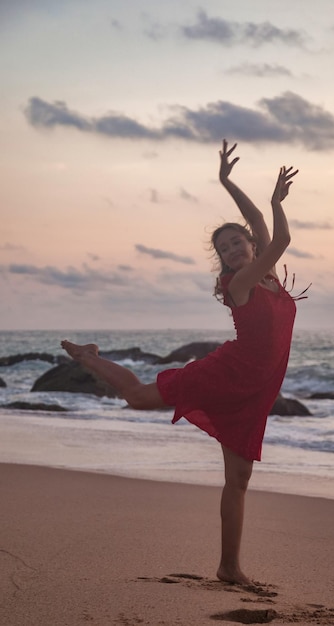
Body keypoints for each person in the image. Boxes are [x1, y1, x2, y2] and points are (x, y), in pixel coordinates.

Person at [61, 139, 300, 587]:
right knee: (137, 398)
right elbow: (280, 235)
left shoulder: (266, 275)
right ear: (224, 260)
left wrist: (227, 182)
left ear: (249, 243)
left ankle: (230, 567)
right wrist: (274, 201)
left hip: (254, 390)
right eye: (224, 247)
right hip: (226, 376)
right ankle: (90, 359)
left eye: (236, 242)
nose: (231, 249)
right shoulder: (243, 281)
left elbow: (259, 224)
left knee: (240, 477)